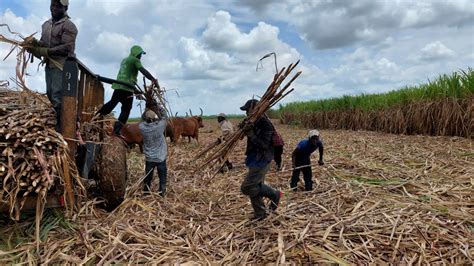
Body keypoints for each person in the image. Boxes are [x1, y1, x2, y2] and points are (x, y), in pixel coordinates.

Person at [26, 0, 78, 129]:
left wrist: (46, 51)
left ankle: (64, 128)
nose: (54, 8)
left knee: (58, 96)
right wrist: (33, 45)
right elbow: (44, 44)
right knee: (50, 94)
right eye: (52, 5)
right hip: (49, 65)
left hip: (62, 66)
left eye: (58, 6)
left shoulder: (69, 26)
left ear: (65, 8)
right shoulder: (46, 25)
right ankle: (57, 124)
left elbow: (66, 47)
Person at [96, 45, 159, 136]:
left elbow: (127, 75)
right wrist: (153, 79)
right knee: (126, 110)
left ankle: (97, 115)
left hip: (118, 86)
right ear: (135, 53)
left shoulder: (124, 60)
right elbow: (142, 70)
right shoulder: (135, 60)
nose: (140, 56)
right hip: (127, 88)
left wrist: (137, 92)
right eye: (140, 54)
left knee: (112, 103)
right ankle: (117, 131)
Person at [239, 99, 282, 220]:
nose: (246, 113)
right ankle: (260, 214)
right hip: (254, 158)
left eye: (248, 110)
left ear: (255, 109)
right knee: (254, 187)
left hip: (262, 159)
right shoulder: (254, 121)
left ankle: (274, 194)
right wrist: (243, 128)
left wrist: (251, 134)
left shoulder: (265, 124)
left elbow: (264, 144)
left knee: (247, 187)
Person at [139, 107, 168, 195]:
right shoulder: (160, 127)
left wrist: (146, 109)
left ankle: (146, 191)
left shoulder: (142, 127)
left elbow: (142, 119)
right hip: (160, 158)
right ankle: (162, 192)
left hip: (149, 158)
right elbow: (164, 116)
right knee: (162, 176)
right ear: (155, 118)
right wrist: (157, 106)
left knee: (148, 177)